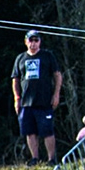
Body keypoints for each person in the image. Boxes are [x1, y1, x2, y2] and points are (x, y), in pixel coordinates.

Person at [13, 30, 64, 163]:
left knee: (47, 131)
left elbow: (57, 75)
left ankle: (51, 159)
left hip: (44, 101)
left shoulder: (47, 56)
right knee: (30, 132)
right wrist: (17, 98)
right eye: (31, 40)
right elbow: (15, 79)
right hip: (26, 102)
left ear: (40, 42)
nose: (33, 44)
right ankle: (35, 158)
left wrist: (56, 94)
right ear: (26, 42)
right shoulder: (20, 58)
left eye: (36, 40)